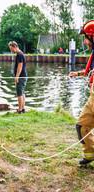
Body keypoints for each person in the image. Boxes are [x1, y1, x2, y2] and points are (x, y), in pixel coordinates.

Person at [69, 20, 94, 166]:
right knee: (81, 126)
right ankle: (90, 154)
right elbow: (89, 72)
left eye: (86, 38)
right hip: (92, 97)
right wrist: (77, 74)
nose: (84, 42)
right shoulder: (93, 54)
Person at [8, 41, 27, 113]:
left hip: (21, 77)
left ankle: (20, 109)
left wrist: (17, 77)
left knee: (19, 93)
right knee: (22, 93)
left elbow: (20, 66)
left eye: (11, 49)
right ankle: (22, 108)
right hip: (23, 76)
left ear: (14, 47)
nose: (11, 51)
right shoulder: (20, 53)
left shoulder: (19, 54)